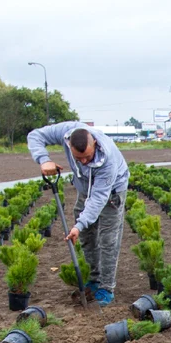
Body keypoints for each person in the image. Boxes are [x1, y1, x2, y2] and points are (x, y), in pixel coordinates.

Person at [27, 122, 130, 306]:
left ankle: (106, 287)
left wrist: (79, 224)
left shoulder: (108, 159)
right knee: (86, 236)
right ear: (69, 146)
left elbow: (98, 198)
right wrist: (44, 159)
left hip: (111, 192)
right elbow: (35, 135)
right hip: (84, 188)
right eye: (78, 158)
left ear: (95, 145)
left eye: (87, 157)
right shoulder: (67, 132)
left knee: (108, 239)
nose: (83, 162)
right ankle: (94, 278)